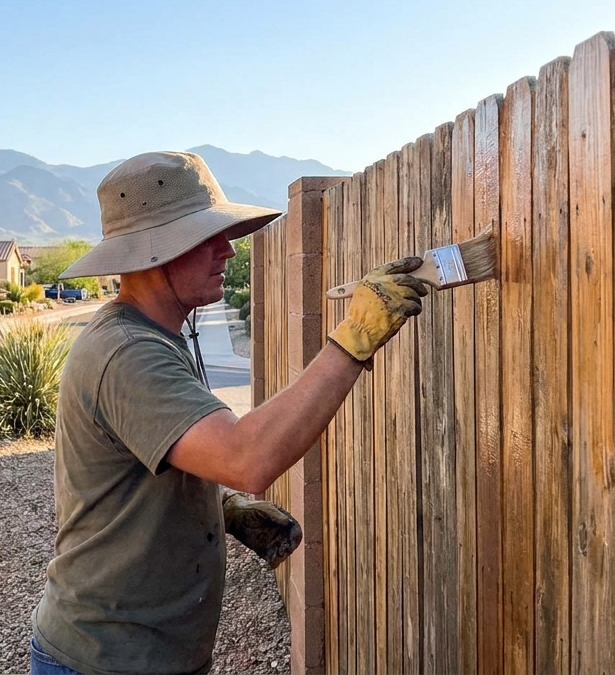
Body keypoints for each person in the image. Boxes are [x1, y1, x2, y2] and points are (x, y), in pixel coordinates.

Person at [30, 150, 430, 675]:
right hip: (108, 659)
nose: (228, 250)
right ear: (154, 252)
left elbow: (146, 466)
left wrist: (216, 510)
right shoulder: (128, 353)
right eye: (207, 236)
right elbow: (248, 457)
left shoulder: (151, 336)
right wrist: (355, 338)